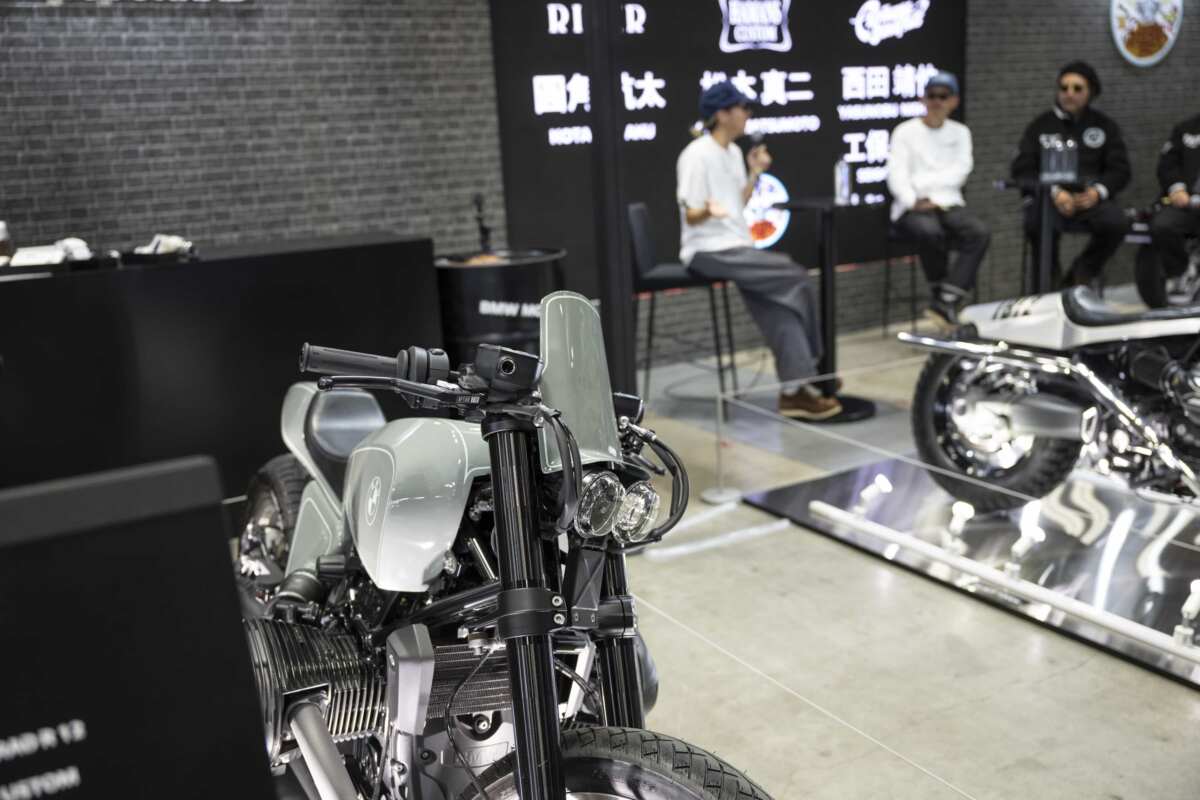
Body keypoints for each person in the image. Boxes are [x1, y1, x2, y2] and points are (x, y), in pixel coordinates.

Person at [676, 80, 840, 420]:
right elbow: (691, 214)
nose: (748, 114)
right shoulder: (696, 154)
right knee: (794, 274)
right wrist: (708, 211)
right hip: (709, 251)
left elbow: (738, 202)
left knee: (780, 305)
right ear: (722, 114)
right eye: (743, 108)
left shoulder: (734, 152)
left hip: (737, 246)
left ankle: (793, 392)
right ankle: (819, 367)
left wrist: (754, 172)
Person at [1011, 61, 1131, 290]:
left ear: (1090, 92)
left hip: (1089, 198)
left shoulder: (1104, 126)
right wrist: (1054, 192)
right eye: (1064, 88)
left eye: (1077, 89)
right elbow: (1022, 169)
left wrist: (1097, 192)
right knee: (1037, 224)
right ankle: (1048, 287)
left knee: (1117, 222)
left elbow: (1120, 169)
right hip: (1050, 199)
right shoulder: (1040, 125)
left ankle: (1080, 275)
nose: (1069, 94)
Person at [887, 71, 990, 329]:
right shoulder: (904, 132)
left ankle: (946, 298)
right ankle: (941, 297)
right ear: (923, 99)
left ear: (953, 101)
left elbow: (960, 172)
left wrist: (929, 192)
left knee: (979, 232)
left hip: (948, 202)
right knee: (929, 231)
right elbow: (897, 175)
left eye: (943, 96)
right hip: (912, 206)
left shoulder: (961, 132)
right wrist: (915, 199)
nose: (937, 102)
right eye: (932, 96)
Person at [1150, 112, 1200, 285]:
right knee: (1162, 225)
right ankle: (1180, 274)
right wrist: (1176, 188)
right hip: (1187, 202)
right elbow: (1167, 164)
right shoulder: (1186, 129)